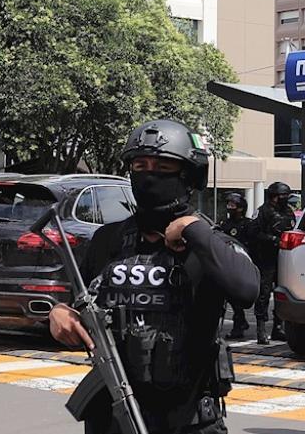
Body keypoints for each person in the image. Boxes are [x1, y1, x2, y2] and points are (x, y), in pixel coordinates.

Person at [48, 119, 259, 434]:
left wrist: (193, 228)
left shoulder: (208, 244)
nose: (149, 175)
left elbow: (246, 289)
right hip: (114, 416)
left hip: (187, 419)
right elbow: (80, 305)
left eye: (163, 166)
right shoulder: (108, 240)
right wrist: (58, 314)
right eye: (140, 165)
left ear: (189, 175)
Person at [250, 181, 296, 344]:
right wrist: (274, 240)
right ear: (275, 197)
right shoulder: (263, 212)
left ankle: (278, 327)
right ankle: (261, 330)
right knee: (263, 293)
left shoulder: (288, 212)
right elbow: (254, 233)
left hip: (283, 258)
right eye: (283, 196)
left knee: (281, 293)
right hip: (265, 259)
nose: (285, 199)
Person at [216, 192, 255, 339]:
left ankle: (239, 324)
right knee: (229, 295)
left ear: (240, 208)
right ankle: (240, 322)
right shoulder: (225, 224)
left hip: (243, 264)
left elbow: (253, 244)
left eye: (233, 205)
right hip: (227, 263)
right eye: (228, 205)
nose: (229, 207)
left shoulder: (248, 225)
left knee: (237, 294)